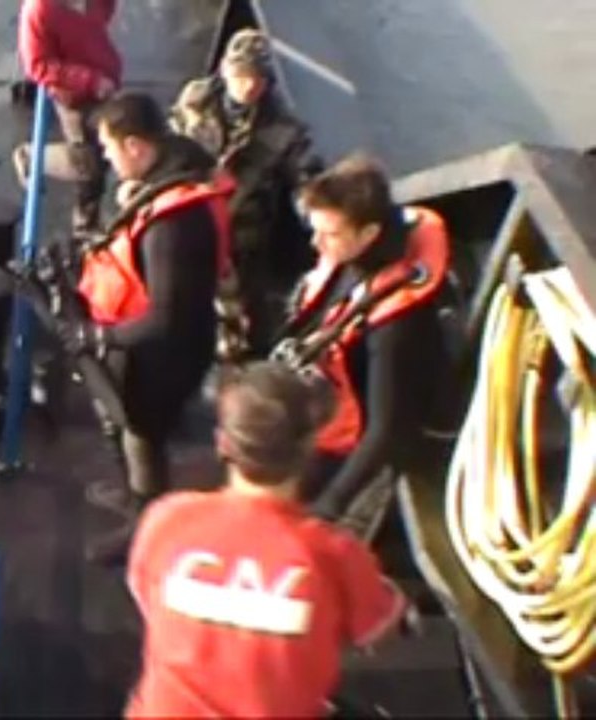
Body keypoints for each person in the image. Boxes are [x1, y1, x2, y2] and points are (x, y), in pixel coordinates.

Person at [126, 361, 408, 717]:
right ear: (309, 448)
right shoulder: (333, 554)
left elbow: (147, 597)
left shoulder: (165, 521)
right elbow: (377, 629)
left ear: (222, 443)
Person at [58, 92, 232, 564]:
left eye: (111, 149)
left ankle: (147, 522)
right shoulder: (176, 174)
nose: (109, 160)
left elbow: (166, 317)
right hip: (172, 341)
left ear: (136, 146)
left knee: (142, 433)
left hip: (166, 353)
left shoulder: (173, 225)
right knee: (134, 430)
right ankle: (139, 496)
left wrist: (99, 338)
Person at [276, 153, 452, 522]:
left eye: (331, 234)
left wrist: (331, 504)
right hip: (318, 402)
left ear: (369, 233)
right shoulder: (346, 257)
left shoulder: (396, 327)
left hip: (353, 437)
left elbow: (386, 428)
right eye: (315, 230)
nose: (316, 245)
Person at [170, 28, 323, 354]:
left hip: (244, 233)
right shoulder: (195, 102)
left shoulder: (283, 128)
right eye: (243, 75)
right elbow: (170, 147)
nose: (251, 85)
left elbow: (305, 175)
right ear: (225, 71)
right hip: (192, 220)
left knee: (246, 317)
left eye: (259, 77)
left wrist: (314, 209)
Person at [16, 0, 122, 234]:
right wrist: (89, 80)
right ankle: (32, 158)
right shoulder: (38, 9)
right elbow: (38, 65)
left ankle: (89, 217)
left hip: (104, 82)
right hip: (76, 98)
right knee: (88, 165)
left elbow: (102, 14)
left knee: (106, 150)